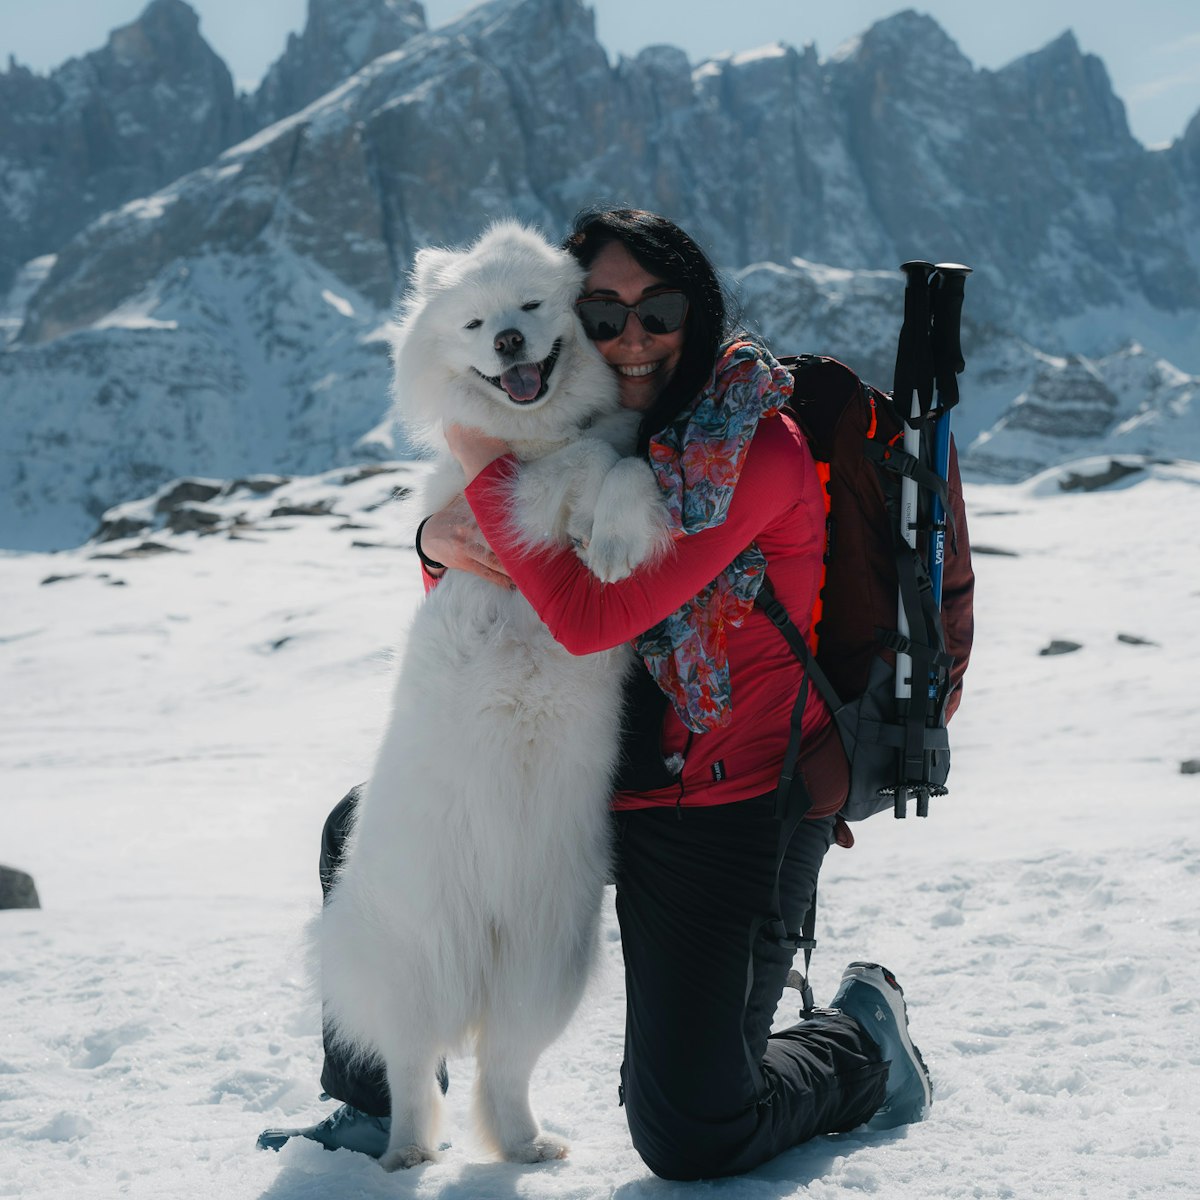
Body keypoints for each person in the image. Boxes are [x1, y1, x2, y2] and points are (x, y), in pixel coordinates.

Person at [259, 208, 937, 1179]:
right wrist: (433, 539)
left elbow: (585, 618)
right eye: (602, 310)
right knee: (357, 831)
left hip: (719, 797)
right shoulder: (593, 427)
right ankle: (383, 1102)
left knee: (694, 1131)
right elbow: (488, 606)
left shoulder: (750, 449)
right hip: (591, 772)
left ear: (696, 316)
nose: (629, 336)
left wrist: (485, 464)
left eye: (656, 310)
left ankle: (865, 1042)